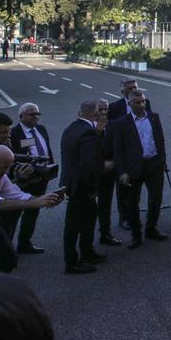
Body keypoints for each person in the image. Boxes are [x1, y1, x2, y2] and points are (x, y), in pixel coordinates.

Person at [0, 146, 62, 272]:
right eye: (3, 168)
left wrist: (45, 200)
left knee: (8, 257)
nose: (6, 172)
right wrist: (36, 203)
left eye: (9, 167)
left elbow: (17, 195)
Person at [105, 89, 168, 249]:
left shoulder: (154, 117)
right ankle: (136, 235)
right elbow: (118, 150)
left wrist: (163, 161)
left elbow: (160, 140)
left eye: (143, 101)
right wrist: (122, 172)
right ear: (130, 103)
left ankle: (151, 229)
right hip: (133, 168)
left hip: (154, 164)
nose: (142, 105)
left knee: (156, 199)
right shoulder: (121, 123)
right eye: (138, 102)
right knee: (132, 203)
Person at [60, 101, 109, 274]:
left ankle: (87, 252)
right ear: (95, 114)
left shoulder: (71, 128)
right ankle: (73, 262)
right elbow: (88, 163)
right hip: (83, 186)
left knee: (82, 221)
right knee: (77, 224)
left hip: (70, 183)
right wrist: (91, 189)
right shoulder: (89, 133)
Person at [1, 103, 55, 254]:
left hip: (41, 178)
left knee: (33, 213)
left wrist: (50, 168)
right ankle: (7, 249)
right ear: (21, 116)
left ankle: (24, 244)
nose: (35, 117)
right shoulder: (14, 133)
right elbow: (11, 157)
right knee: (14, 215)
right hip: (23, 180)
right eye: (31, 114)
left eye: (37, 114)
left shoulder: (41, 129)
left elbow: (47, 150)